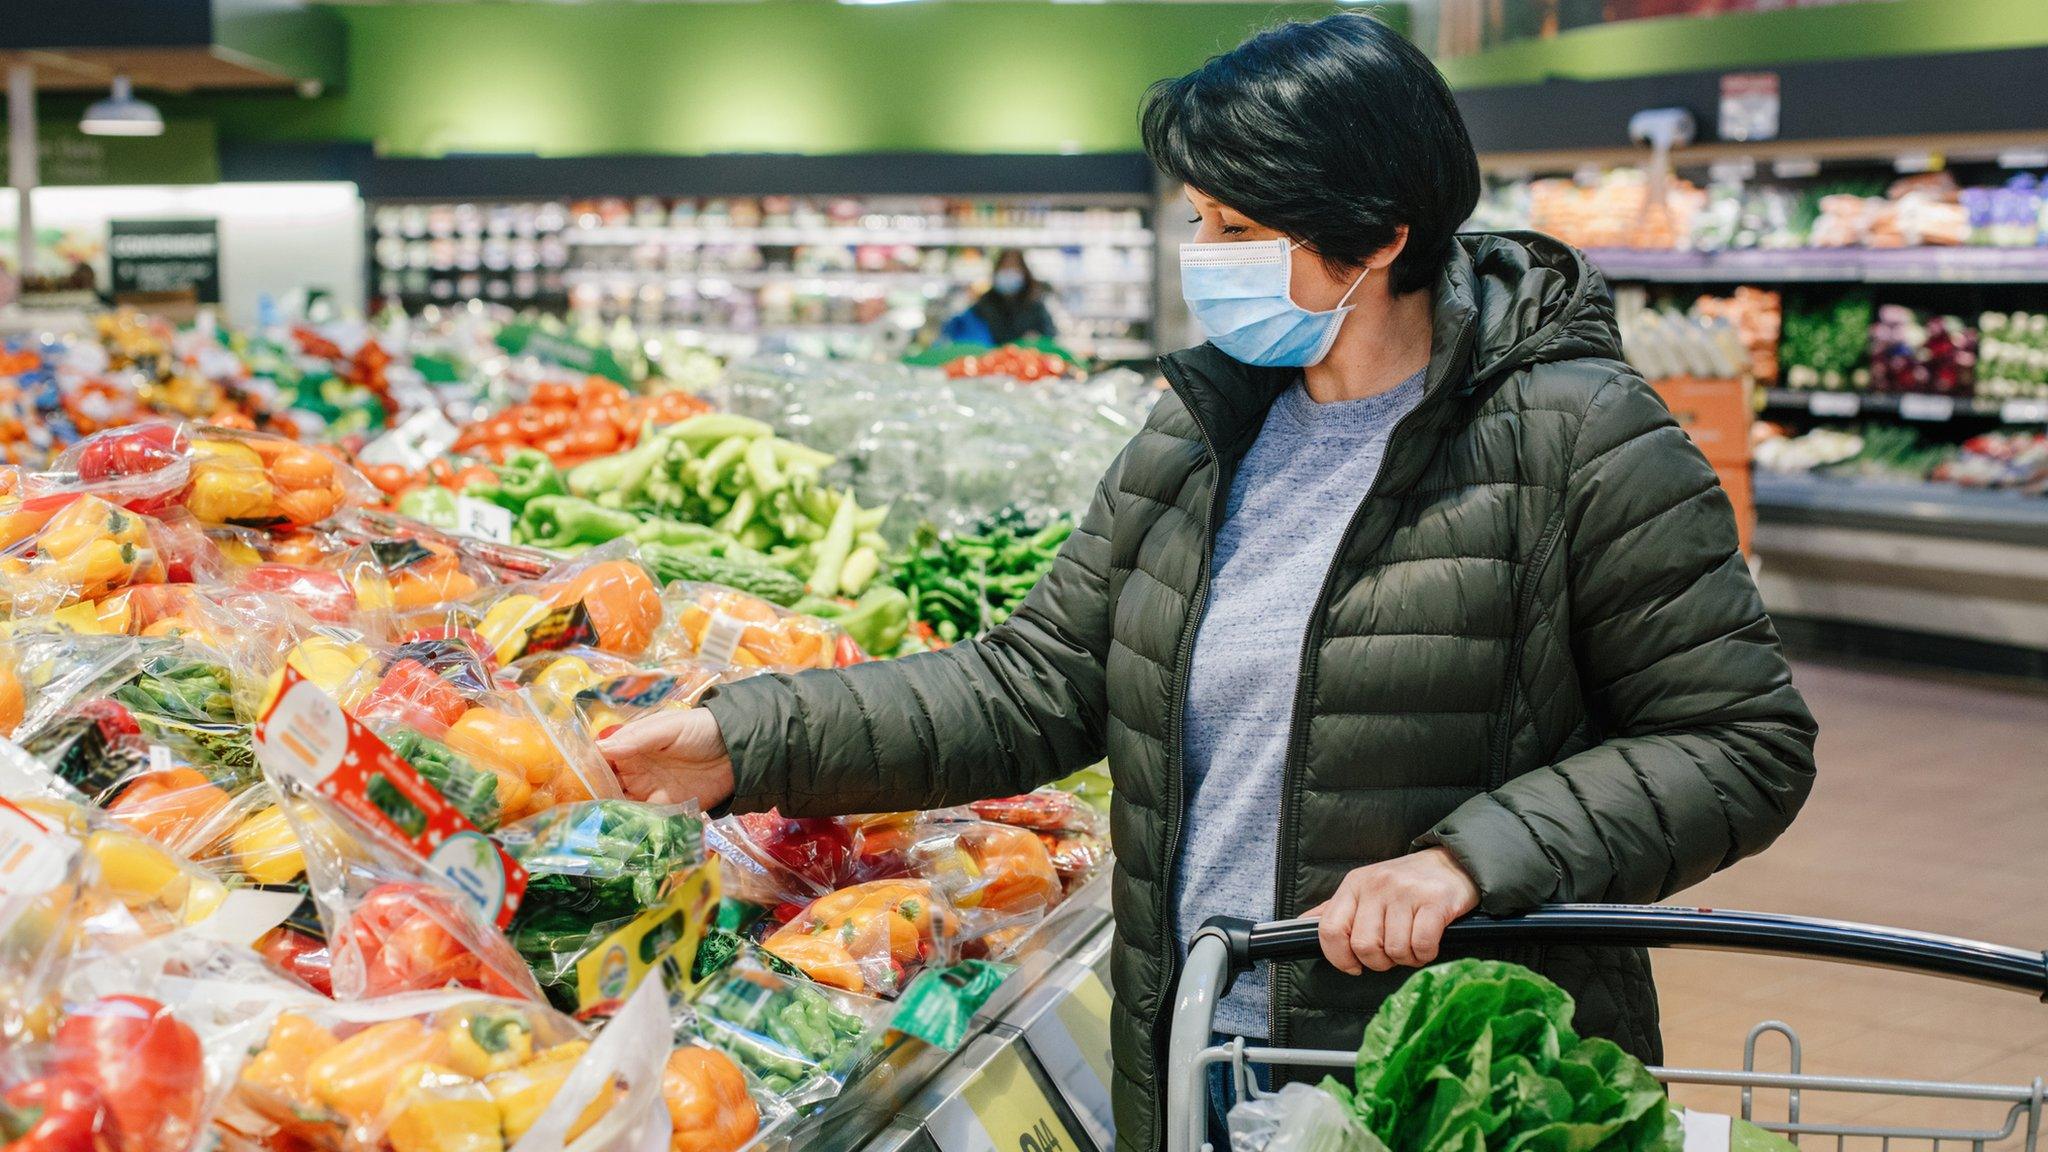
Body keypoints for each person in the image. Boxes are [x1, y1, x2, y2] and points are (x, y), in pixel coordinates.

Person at [600, 14, 1817, 1152]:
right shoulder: (1194, 439)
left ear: (1380, 232)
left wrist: (1467, 859)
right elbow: (1032, 687)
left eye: (1238, 232)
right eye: (1198, 223)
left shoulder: (1577, 437)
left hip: (1445, 1071)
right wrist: (741, 738)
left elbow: (1739, 739)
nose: (1203, 261)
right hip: (1196, 1044)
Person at [940, 249, 1057, 346]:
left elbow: (1050, 335)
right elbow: (961, 328)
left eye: (1014, 268)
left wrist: (1038, 340)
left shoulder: (1035, 304)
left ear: (1024, 273)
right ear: (996, 272)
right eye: (1005, 268)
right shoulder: (985, 303)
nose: (1008, 273)